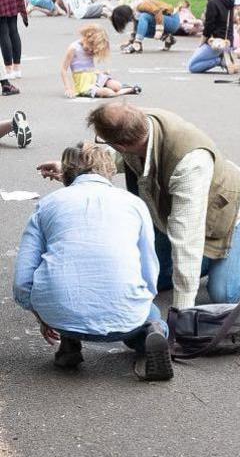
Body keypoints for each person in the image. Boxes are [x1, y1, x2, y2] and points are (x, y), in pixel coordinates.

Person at [38, 104, 240, 310]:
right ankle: (209, 259)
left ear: (121, 144)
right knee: (155, 278)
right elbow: (112, 159)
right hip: (172, 204)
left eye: (102, 140)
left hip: (225, 207)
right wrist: (68, 169)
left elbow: (187, 238)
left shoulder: (189, 163)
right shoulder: (137, 125)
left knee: (223, 293)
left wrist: (182, 311)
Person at [14, 144, 173, 381]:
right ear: (109, 169)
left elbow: (22, 281)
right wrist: (140, 299)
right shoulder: (134, 204)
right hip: (125, 317)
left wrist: (41, 313)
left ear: (66, 172)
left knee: (68, 276)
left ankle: (69, 344)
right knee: (150, 315)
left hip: (60, 315)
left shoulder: (47, 204)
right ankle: (149, 334)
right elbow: (149, 267)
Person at [61, 24, 140, 98]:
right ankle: (128, 90)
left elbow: (88, 67)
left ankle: (119, 87)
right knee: (108, 93)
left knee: (117, 86)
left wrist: (101, 72)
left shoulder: (91, 47)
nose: (91, 51)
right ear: (87, 38)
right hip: (84, 83)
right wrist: (68, 88)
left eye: (93, 50)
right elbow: (63, 69)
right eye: (91, 48)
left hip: (95, 77)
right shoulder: (73, 48)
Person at [186, 0, 235, 73]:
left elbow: (208, 28)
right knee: (197, 60)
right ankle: (224, 56)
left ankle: (219, 60)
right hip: (228, 41)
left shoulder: (213, 3)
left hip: (216, 43)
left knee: (192, 66)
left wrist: (201, 44)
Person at [110, 0, 180, 53]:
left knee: (144, 16)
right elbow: (137, 30)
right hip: (165, 21)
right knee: (140, 29)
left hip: (172, 20)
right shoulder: (134, 13)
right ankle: (168, 39)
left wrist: (159, 29)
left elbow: (157, 11)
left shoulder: (140, 5)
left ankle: (137, 44)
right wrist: (131, 41)